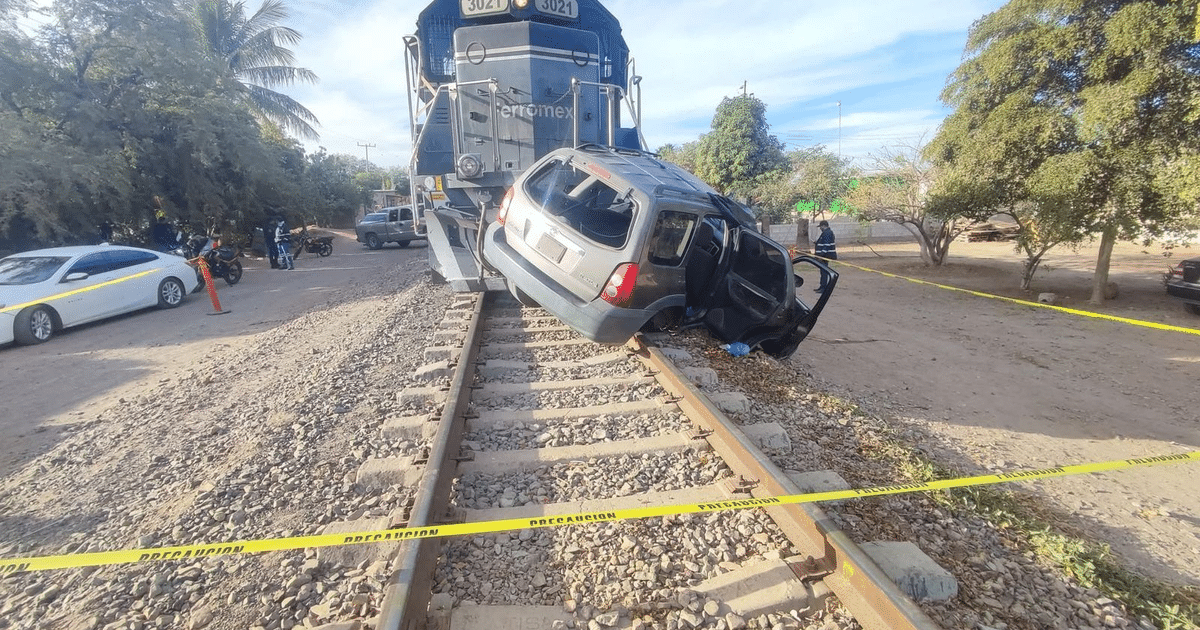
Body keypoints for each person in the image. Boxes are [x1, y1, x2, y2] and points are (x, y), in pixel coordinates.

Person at [814, 219, 837, 292]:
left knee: (824, 272)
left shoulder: (827, 233)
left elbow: (826, 246)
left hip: (825, 256)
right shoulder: (826, 232)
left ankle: (823, 287)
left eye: (821, 226)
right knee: (822, 271)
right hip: (824, 256)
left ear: (824, 226)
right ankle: (822, 286)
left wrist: (821, 255)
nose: (820, 228)